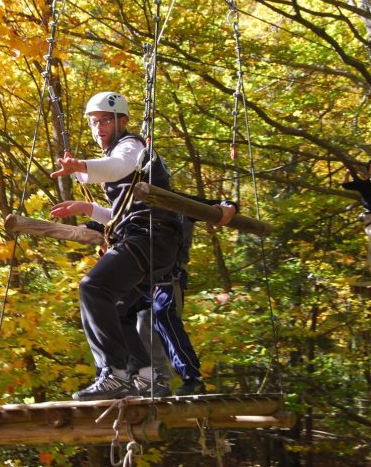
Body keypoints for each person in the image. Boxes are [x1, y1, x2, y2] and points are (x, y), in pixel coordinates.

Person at [50, 91, 195, 400]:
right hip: (150, 240)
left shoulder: (131, 146)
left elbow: (116, 166)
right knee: (118, 307)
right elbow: (120, 214)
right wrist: (87, 209)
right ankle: (144, 375)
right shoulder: (120, 155)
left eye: (105, 121)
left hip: (151, 237)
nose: (98, 127)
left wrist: (82, 165)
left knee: (92, 288)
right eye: (93, 122)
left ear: (122, 121)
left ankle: (113, 372)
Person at [122, 197, 237, 396]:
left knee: (164, 314)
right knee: (120, 312)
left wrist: (229, 206)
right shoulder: (131, 202)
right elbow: (108, 219)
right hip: (141, 277)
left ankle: (191, 377)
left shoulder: (180, 201)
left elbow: (219, 204)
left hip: (169, 274)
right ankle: (140, 377)